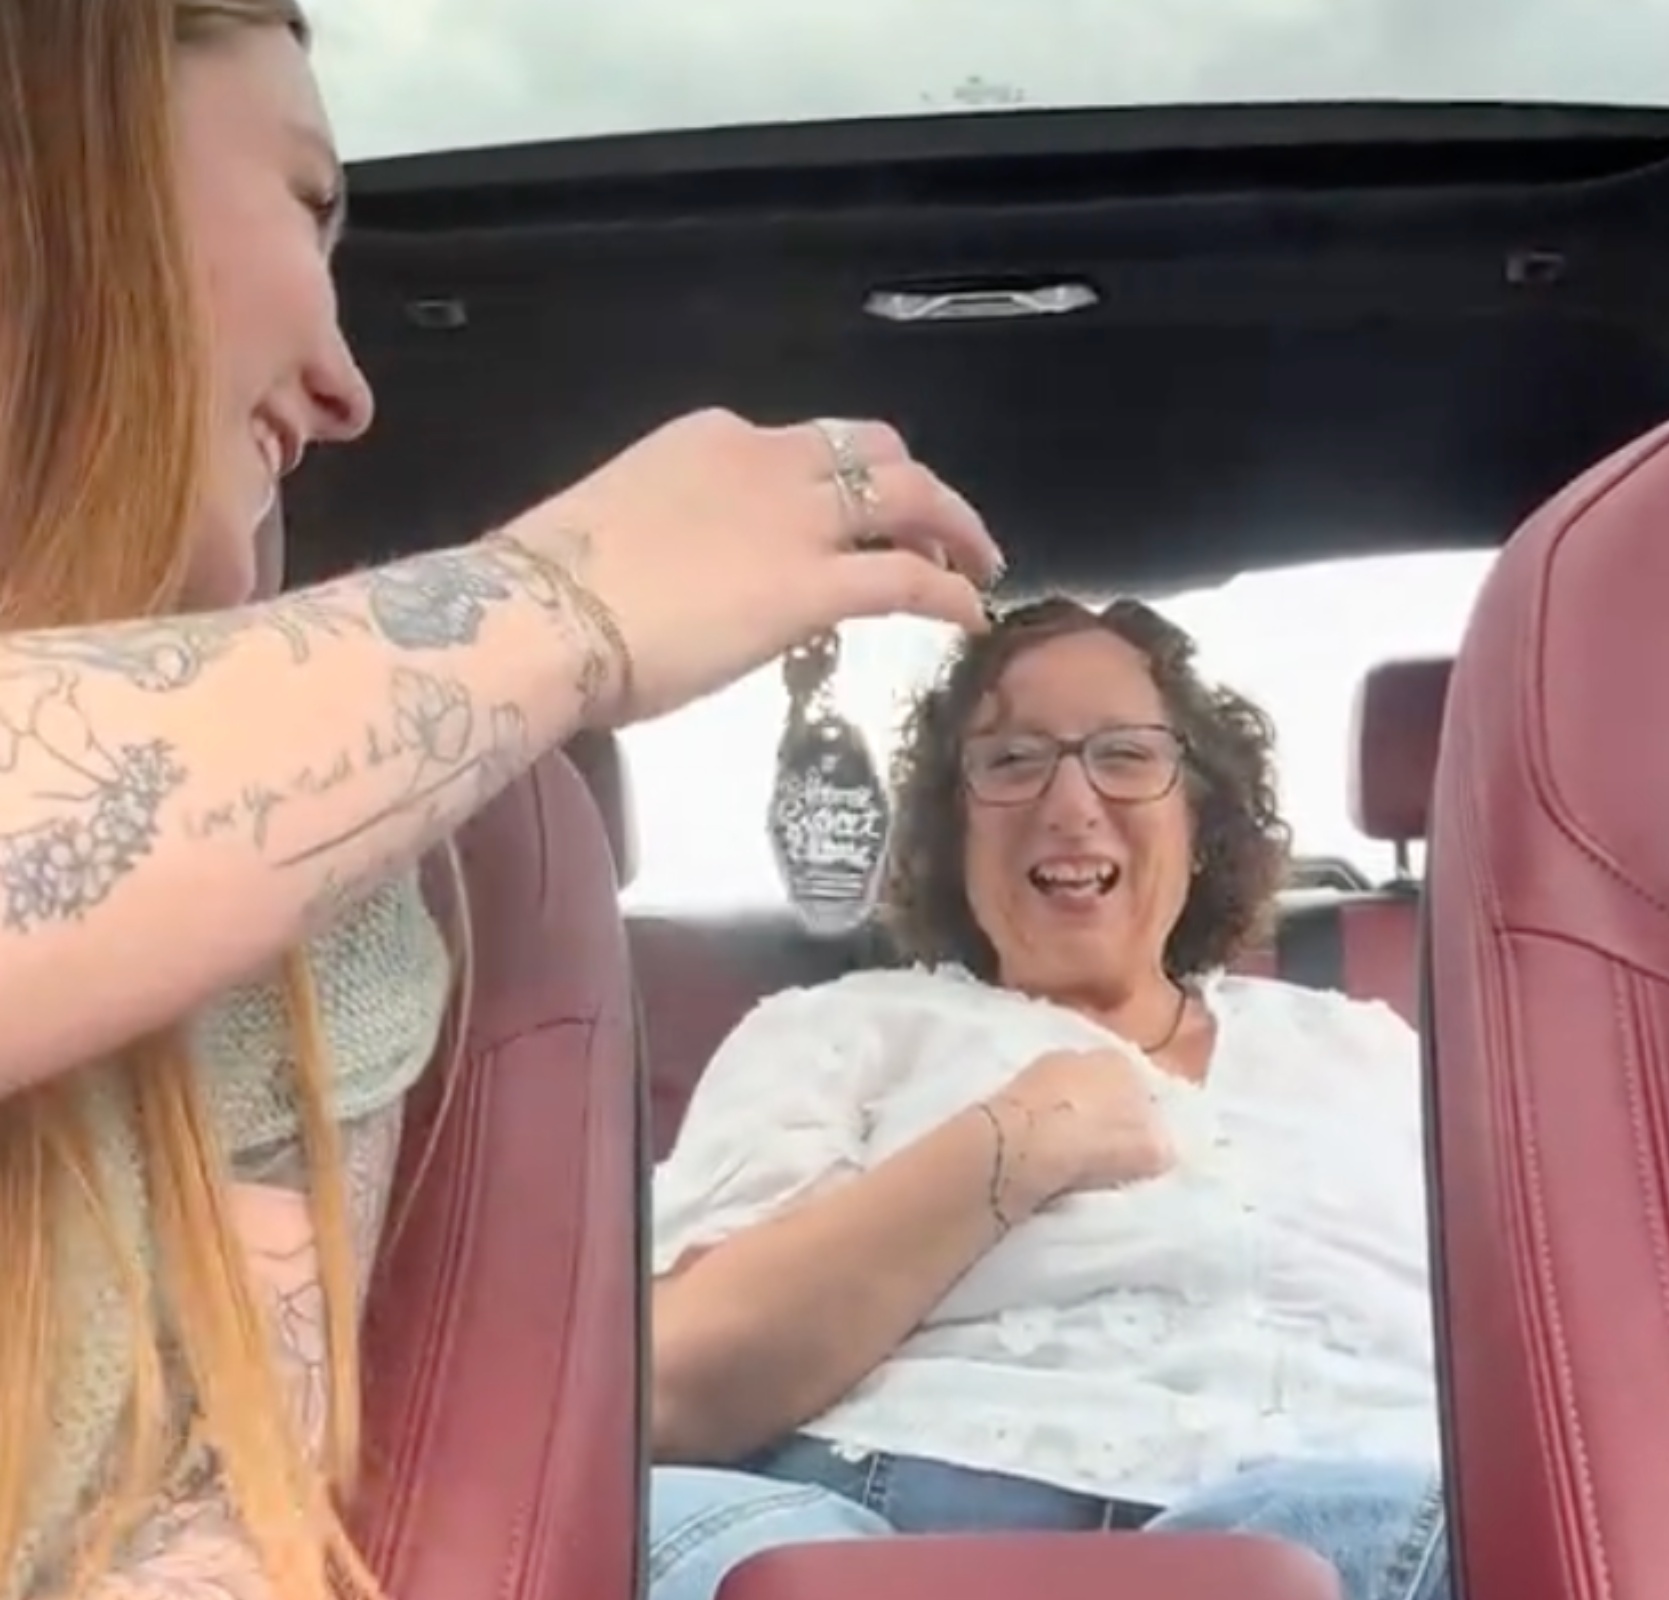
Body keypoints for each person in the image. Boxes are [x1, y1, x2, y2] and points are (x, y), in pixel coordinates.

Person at [0, 5, 1002, 1600]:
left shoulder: (327, 923)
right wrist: (553, 612)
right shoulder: (826, 1041)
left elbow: (208, 1538)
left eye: (1128, 755)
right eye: (308, 206)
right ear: (60, 148)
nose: (348, 389)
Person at [638, 598, 1449, 1600]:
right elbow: (668, 1386)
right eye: (1014, 761)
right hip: (899, 1519)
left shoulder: (1368, 1048)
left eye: (1125, 754)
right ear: (951, 829)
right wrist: (1010, 1146)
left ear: (1199, 819)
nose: (1071, 805)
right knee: (662, 1534)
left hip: (1363, 1526)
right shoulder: (839, 1028)